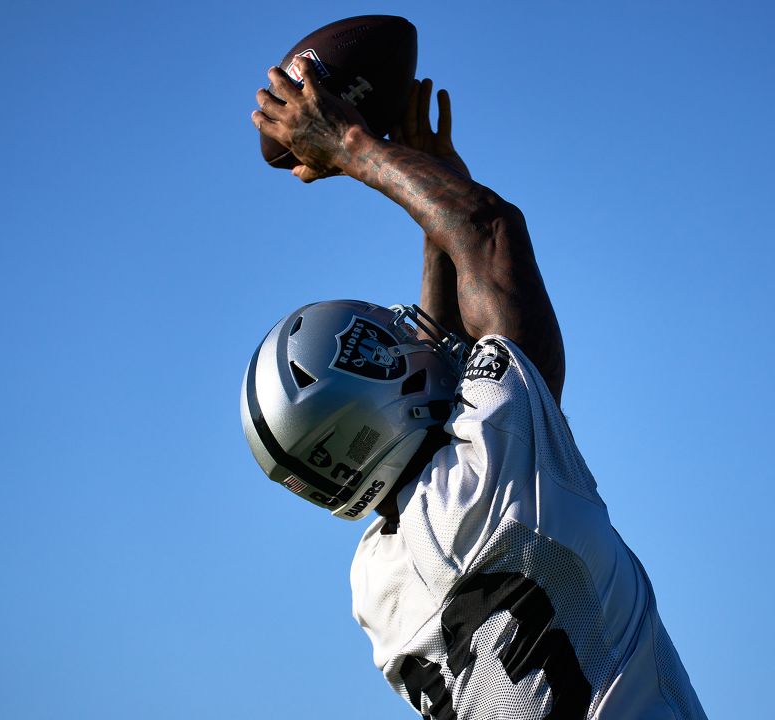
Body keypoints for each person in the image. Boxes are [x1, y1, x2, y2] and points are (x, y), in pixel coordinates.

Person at [245, 59, 708, 719]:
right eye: (390, 341)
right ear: (374, 391)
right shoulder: (491, 473)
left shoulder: (379, 588)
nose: (412, 334)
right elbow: (490, 233)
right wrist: (355, 147)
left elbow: (447, 356)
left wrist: (421, 187)